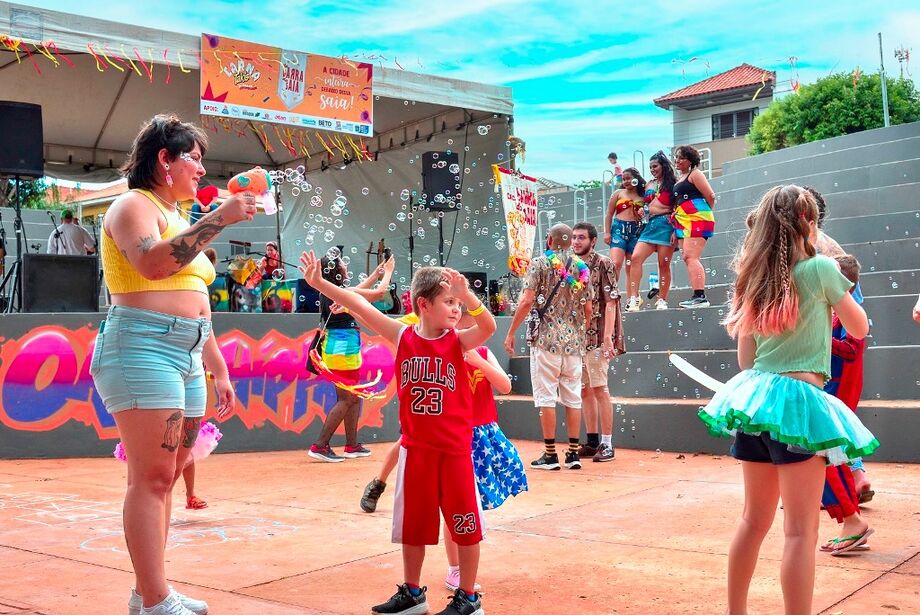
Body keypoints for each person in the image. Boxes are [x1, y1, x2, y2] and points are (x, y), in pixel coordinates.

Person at [90, 114, 255, 615]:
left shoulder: (178, 217)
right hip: (141, 347)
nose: (202, 169)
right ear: (165, 159)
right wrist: (220, 218)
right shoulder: (131, 205)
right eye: (195, 158)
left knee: (169, 471)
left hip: (186, 352)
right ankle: (156, 596)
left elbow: (196, 300)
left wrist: (219, 368)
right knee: (153, 478)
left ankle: (150, 593)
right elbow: (154, 265)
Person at [699, 185, 878, 615]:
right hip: (799, 408)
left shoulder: (752, 277)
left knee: (751, 521)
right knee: (800, 531)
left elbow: (746, 358)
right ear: (808, 223)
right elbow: (860, 328)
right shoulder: (820, 269)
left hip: (756, 406)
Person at [301, 252, 495, 615]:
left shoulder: (458, 341)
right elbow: (358, 302)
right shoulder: (402, 335)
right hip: (415, 450)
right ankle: (412, 592)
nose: (456, 310)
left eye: (458, 304)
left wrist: (468, 295)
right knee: (412, 526)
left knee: (465, 525)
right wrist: (321, 285)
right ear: (424, 304)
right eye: (448, 302)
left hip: (454, 452)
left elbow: (487, 328)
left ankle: (468, 598)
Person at [503, 223, 594, 471]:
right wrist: (579, 334)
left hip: (545, 342)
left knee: (546, 398)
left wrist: (511, 332)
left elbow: (527, 300)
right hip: (573, 344)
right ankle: (574, 454)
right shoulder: (581, 268)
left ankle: (551, 454)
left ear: (549, 241)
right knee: (573, 398)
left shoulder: (540, 263)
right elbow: (588, 308)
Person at [307, 251, 395, 462]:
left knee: (352, 398)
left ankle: (352, 445)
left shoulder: (331, 291)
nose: (346, 265)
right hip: (342, 351)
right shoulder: (338, 292)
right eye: (342, 263)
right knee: (346, 399)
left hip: (341, 349)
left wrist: (375, 274)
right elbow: (377, 294)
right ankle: (320, 446)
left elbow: (356, 291)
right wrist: (388, 272)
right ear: (336, 270)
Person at [819, 254, 874, 555]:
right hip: (829, 393)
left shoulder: (850, 315)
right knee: (826, 460)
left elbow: (852, 351)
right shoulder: (835, 315)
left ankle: (853, 522)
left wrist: (819, 337)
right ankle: (850, 521)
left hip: (838, 395)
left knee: (829, 459)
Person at [571, 222, 624, 461]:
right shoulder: (570, 265)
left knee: (600, 388)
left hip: (598, 335)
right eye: (573, 238)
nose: (576, 242)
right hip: (577, 338)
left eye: (581, 237)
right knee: (584, 390)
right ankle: (592, 441)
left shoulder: (604, 263)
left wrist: (608, 337)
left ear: (593, 241)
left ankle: (607, 443)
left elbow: (611, 301)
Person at [625, 151, 678, 311]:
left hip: (666, 224)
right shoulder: (649, 184)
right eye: (650, 167)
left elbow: (677, 206)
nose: (652, 169)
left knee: (664, 265)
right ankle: (634, 298)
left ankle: (662, 299)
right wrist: (643, 210)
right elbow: (644, 203)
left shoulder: (674, 183)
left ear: (663, 166)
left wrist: (676, 230)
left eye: (655, 166)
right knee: (635, 258)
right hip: (649, 226)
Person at [672, 145, 716, 308]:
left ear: (690, 160)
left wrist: (701, 213)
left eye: (681, 157)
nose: (677, 160)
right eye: (676, 157)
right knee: (686, 257)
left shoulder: (695, 174)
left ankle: (700, 296)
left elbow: (710, 196)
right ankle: (697, 295)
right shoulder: (680, 178)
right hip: (683, 219)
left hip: (696, 217)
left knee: (691, 256)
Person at [603, 168, 646, 288]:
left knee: (631, 266)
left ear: (636, 179)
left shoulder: (643, 195)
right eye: (624, 179)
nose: (626, 181)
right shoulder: (618, 193)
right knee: (616, 263)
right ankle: (612, 293)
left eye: (629, 178)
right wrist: (607, 232)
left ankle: (632, 298)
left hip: (636, 231)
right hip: (618, 229)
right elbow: (609, 214)